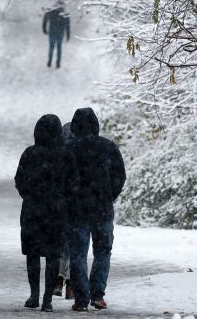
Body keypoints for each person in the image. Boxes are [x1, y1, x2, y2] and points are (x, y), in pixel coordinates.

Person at [15, 114, 79, 312]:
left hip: (32, 212)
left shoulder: (29, 153)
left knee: (32, 255)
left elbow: (19, 181)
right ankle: (47, 300)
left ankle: (34, 295)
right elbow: (74, 184)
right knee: (53, 256)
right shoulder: (66, 155)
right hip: (57, 213)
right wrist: (62, 199)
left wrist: (31, 196)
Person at [65, 107, 126, 311]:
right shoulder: (108, 147)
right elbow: (120, 176)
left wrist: (69, 197)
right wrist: (109, 195)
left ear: (74, 126)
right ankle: (98, 295)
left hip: (76, 211)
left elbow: (61, 178)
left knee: (78, 254)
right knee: (103, 252)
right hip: (102, 209)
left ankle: (81, 298)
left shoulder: (68, 148)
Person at [53, 121, 75, 300]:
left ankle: (60, 277)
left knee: (62, 244)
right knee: (76, 245)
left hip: (60, 206)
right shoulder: (81, 155)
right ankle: (71, 283)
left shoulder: (57, 155)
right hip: (77, 206)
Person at [42, 1, 71, 69]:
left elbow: (45, 19)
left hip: (52, 32)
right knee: (59, 48)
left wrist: (44, 29)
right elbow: (68, 26)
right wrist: (68, 35)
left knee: (51, 47)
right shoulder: (65, 14)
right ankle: (58, 63)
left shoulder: (51, 12)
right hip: (60, 34)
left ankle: (49, 61)